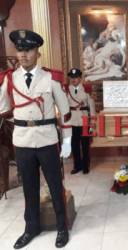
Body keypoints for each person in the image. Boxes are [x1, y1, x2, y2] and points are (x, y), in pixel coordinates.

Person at [0, 29, 72, 249]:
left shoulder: (51, 78)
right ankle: (31, 227)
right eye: (20, 50)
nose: (23, 54)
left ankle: (62, 227)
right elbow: (3, 109)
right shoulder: (9, 79)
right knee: (28, 187)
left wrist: (67, 140)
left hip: (47, 140)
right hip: (22, 142)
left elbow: (65, 111)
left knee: (54, 185)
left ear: (38, 52)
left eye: (28, 49)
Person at [67, 68, 96, 175]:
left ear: (80, 78)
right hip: (72, 121)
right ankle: (77, 166)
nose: (73, 79)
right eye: (72, 77)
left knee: (85, 145)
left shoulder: (87, 89)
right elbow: (65, 106)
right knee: (74, 145)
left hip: (84, 120)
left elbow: (91, 106)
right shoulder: (66, 90)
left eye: (76, 77)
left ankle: (85, 166)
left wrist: (92, 120)